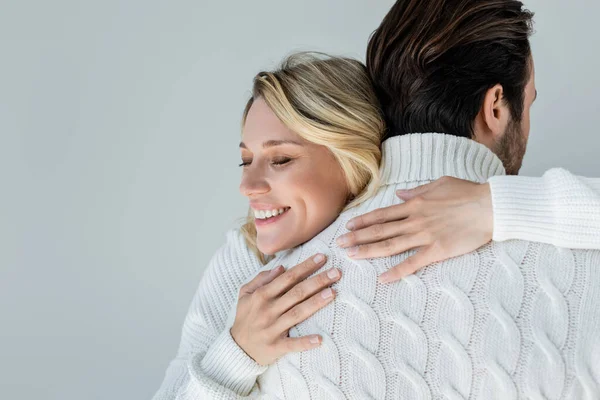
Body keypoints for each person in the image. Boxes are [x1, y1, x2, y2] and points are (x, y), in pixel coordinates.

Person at [152, 3, 600, 400]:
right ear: (496, 106)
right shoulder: (582, 260)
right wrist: (502, 208)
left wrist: (497, 206)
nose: (249, 185)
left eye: (281, 158)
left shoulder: (267, 287)